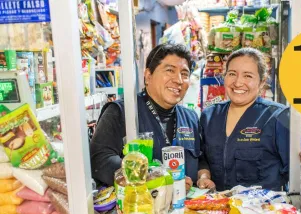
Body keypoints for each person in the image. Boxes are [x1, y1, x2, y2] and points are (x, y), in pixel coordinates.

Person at [90, 43, 200, 190]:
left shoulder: (191, 118)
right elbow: (100, 161)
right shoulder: (121, 112)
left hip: (185, 208)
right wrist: (153, 178)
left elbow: (202, 158)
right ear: (148, 76)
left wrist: (204, 176)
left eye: (184, 74)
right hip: (139, 209)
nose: (178, 80)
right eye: (169, 71)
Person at [197, 47, 290, 191]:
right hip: (217, 208)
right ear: (224, 76)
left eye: (248, 76)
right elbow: (202, 159)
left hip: (262, 211)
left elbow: (296, 172)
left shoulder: (278, 116)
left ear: (262, 81)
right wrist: (204, 177)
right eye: (232, 74)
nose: (238, 82)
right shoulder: (209, 115)